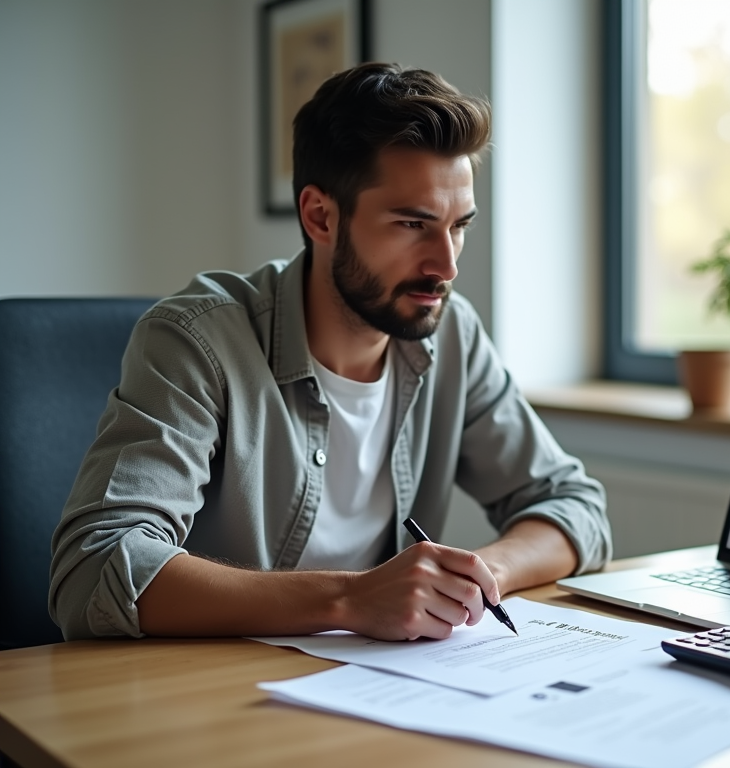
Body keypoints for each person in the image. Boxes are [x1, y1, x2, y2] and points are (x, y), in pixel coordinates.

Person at [49, 62, 611, 643]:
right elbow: (95, 568)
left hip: (377, 692)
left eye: (458, 225)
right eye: (411, 224)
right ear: (320, 215)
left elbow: (574, 506)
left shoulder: (452, 336)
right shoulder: (199, 339)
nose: (447, 265)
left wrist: (475, 577)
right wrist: (349, 598)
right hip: (213, 696)